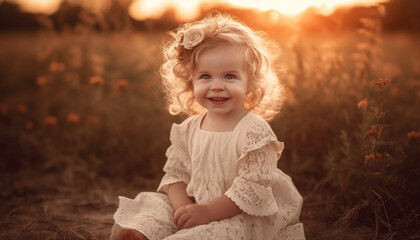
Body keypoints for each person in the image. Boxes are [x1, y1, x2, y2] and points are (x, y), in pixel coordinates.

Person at [111, 12, 305, 240]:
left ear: (249, 82)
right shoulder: (189, 129)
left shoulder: (254, 132)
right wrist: (183, 211)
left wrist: (207, 212)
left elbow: (250, 191)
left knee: (223, 232)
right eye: (205, 76)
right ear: (190, 82)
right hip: (197, 204)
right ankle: (144, 233)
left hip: (239, 210)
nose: (216, 86)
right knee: (156, 205)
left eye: (229, 76)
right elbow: (176, 175)